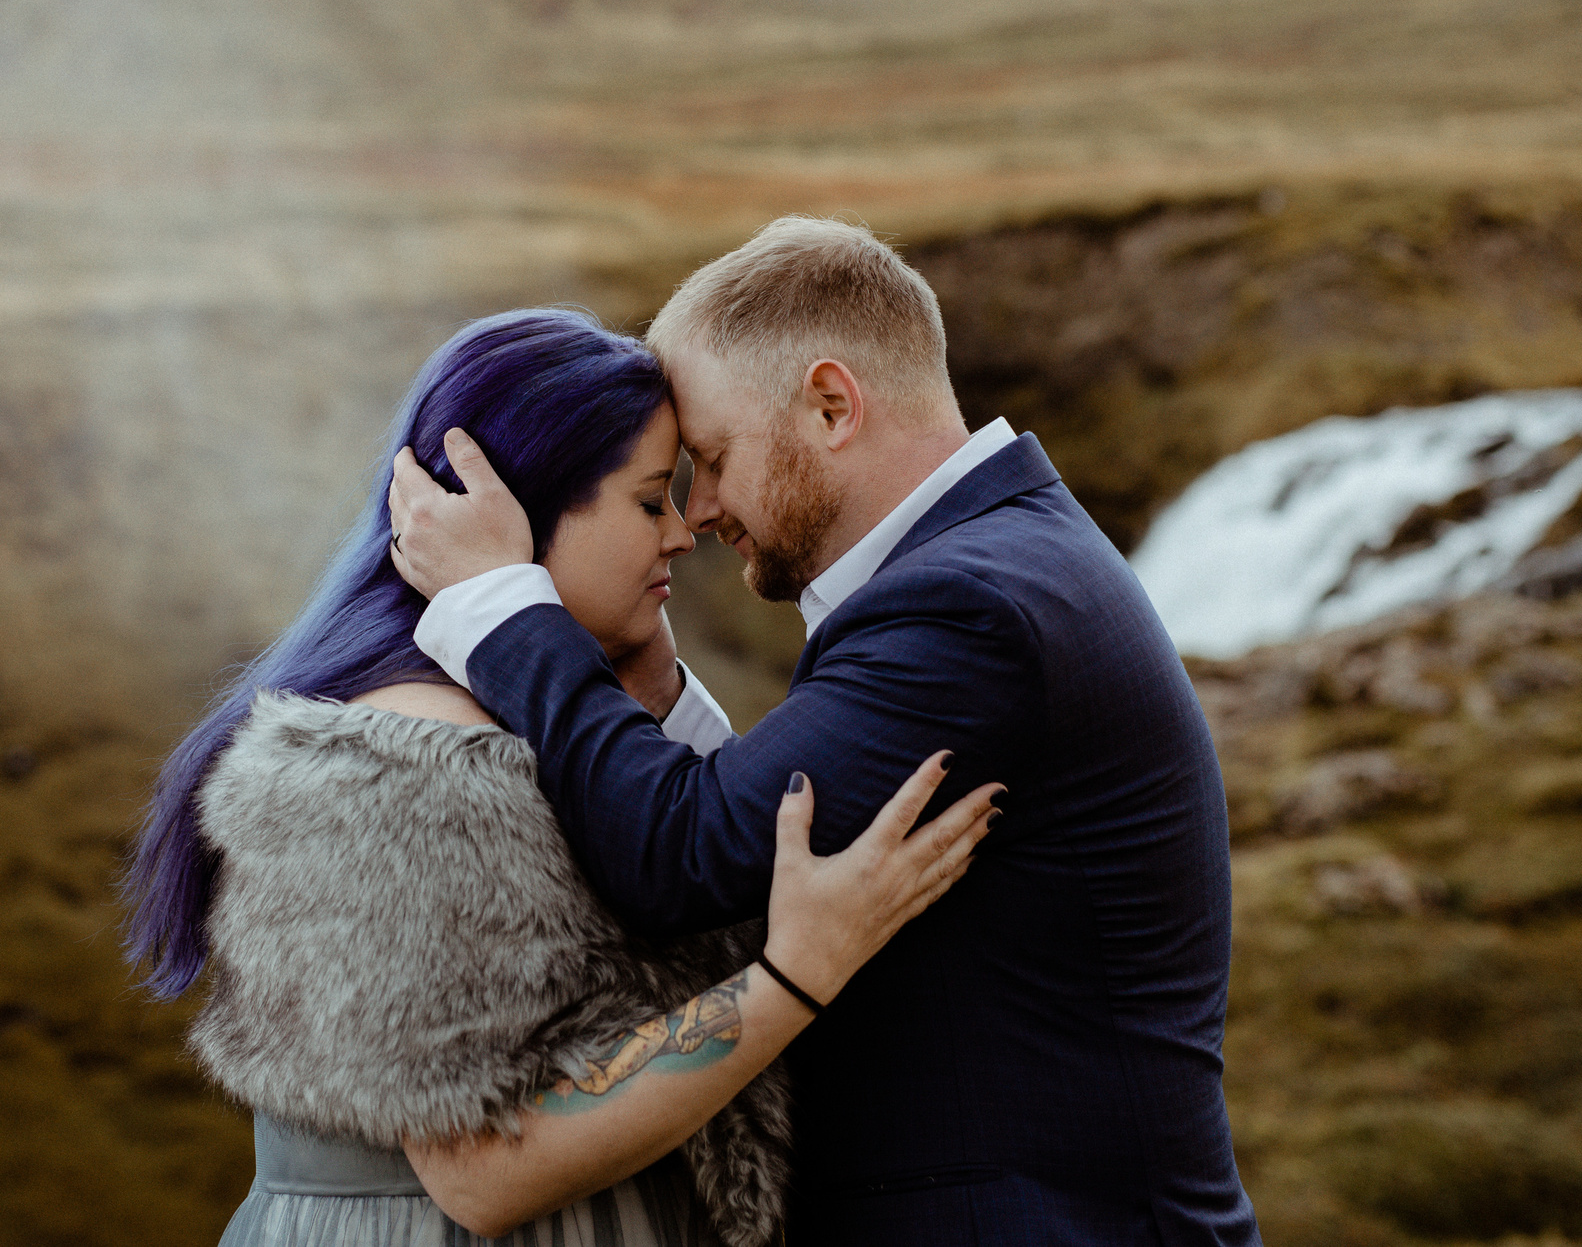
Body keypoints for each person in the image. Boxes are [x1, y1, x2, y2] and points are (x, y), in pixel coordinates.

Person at [388, 219, 1262, 1246]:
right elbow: (755, 844)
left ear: (831, 404)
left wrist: (502, 606)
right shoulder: (1003, 561)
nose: (699, 509)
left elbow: (680, 856)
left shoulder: (967, 608)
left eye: (710, 458)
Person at [122, 308, 999, 1247]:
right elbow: (481, 1173)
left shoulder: (542, 728)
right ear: (524, 508)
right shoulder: (396, 774)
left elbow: (682, 885)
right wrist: (795, 976)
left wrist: (650, 686)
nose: (682, 533)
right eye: (650, 498)